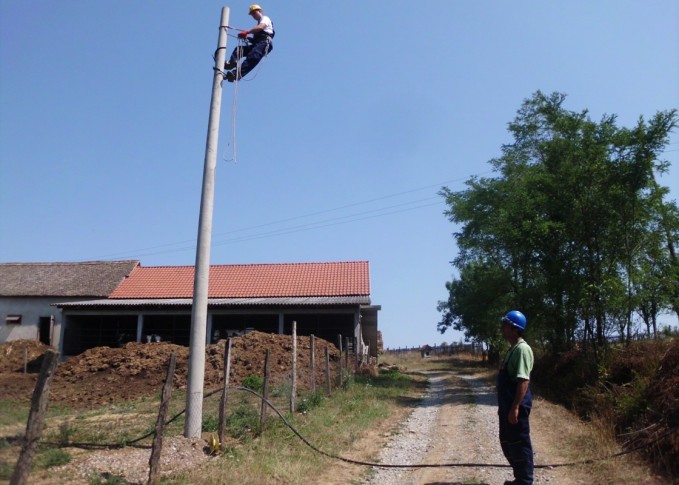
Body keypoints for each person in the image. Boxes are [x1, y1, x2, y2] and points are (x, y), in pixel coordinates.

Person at [497, 310, 535, 485]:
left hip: (516, 405)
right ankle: (519, 478)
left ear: (514, 328)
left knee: (519, 443)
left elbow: (523, 381)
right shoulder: (513, 349)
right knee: (508, 442)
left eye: (505, 325)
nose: (502, 328)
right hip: (508, 405)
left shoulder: (522, 349)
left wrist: (515, 407)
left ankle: (525, 481)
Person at [224, 4, 274, 82]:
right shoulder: (258, 24)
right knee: (239, 49)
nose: (253, 15)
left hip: (264, 43)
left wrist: (247, 32)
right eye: (252, 14)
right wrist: (247, 37)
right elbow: (257, 38)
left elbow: (261, 27)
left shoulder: (265, 18)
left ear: (260, 11)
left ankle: (236, 74)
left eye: (254, 13)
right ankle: (232, 63)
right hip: (258, 43)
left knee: (252, 57)